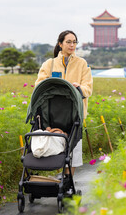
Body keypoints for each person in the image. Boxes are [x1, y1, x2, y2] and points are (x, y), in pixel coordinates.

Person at [35, 30, 93, 175]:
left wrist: (79, 88)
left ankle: (68, 182)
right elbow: (39, 85)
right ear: (60, 44)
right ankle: (55, 178)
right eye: (68, 42)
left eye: (74, 42)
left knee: (73, 152)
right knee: (54, 147)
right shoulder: (50, 64)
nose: (72, 45)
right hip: (51, 114)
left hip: (74, 115)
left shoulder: (82, 64)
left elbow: (88, 88)